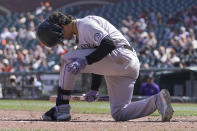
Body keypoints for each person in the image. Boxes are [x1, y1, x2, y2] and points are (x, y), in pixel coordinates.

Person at [36, 11, 174, 121]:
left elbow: (108, 44)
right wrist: (94, 89)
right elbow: (98, 59)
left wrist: (84, 61)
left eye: (60, 36)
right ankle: (157, 101)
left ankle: (61, 107)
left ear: (61, 26)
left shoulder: (85, 24)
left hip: (120, 55)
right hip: (125, 66)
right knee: (119, 113)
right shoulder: (81, 37)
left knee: (67, 59)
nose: (63, 39)